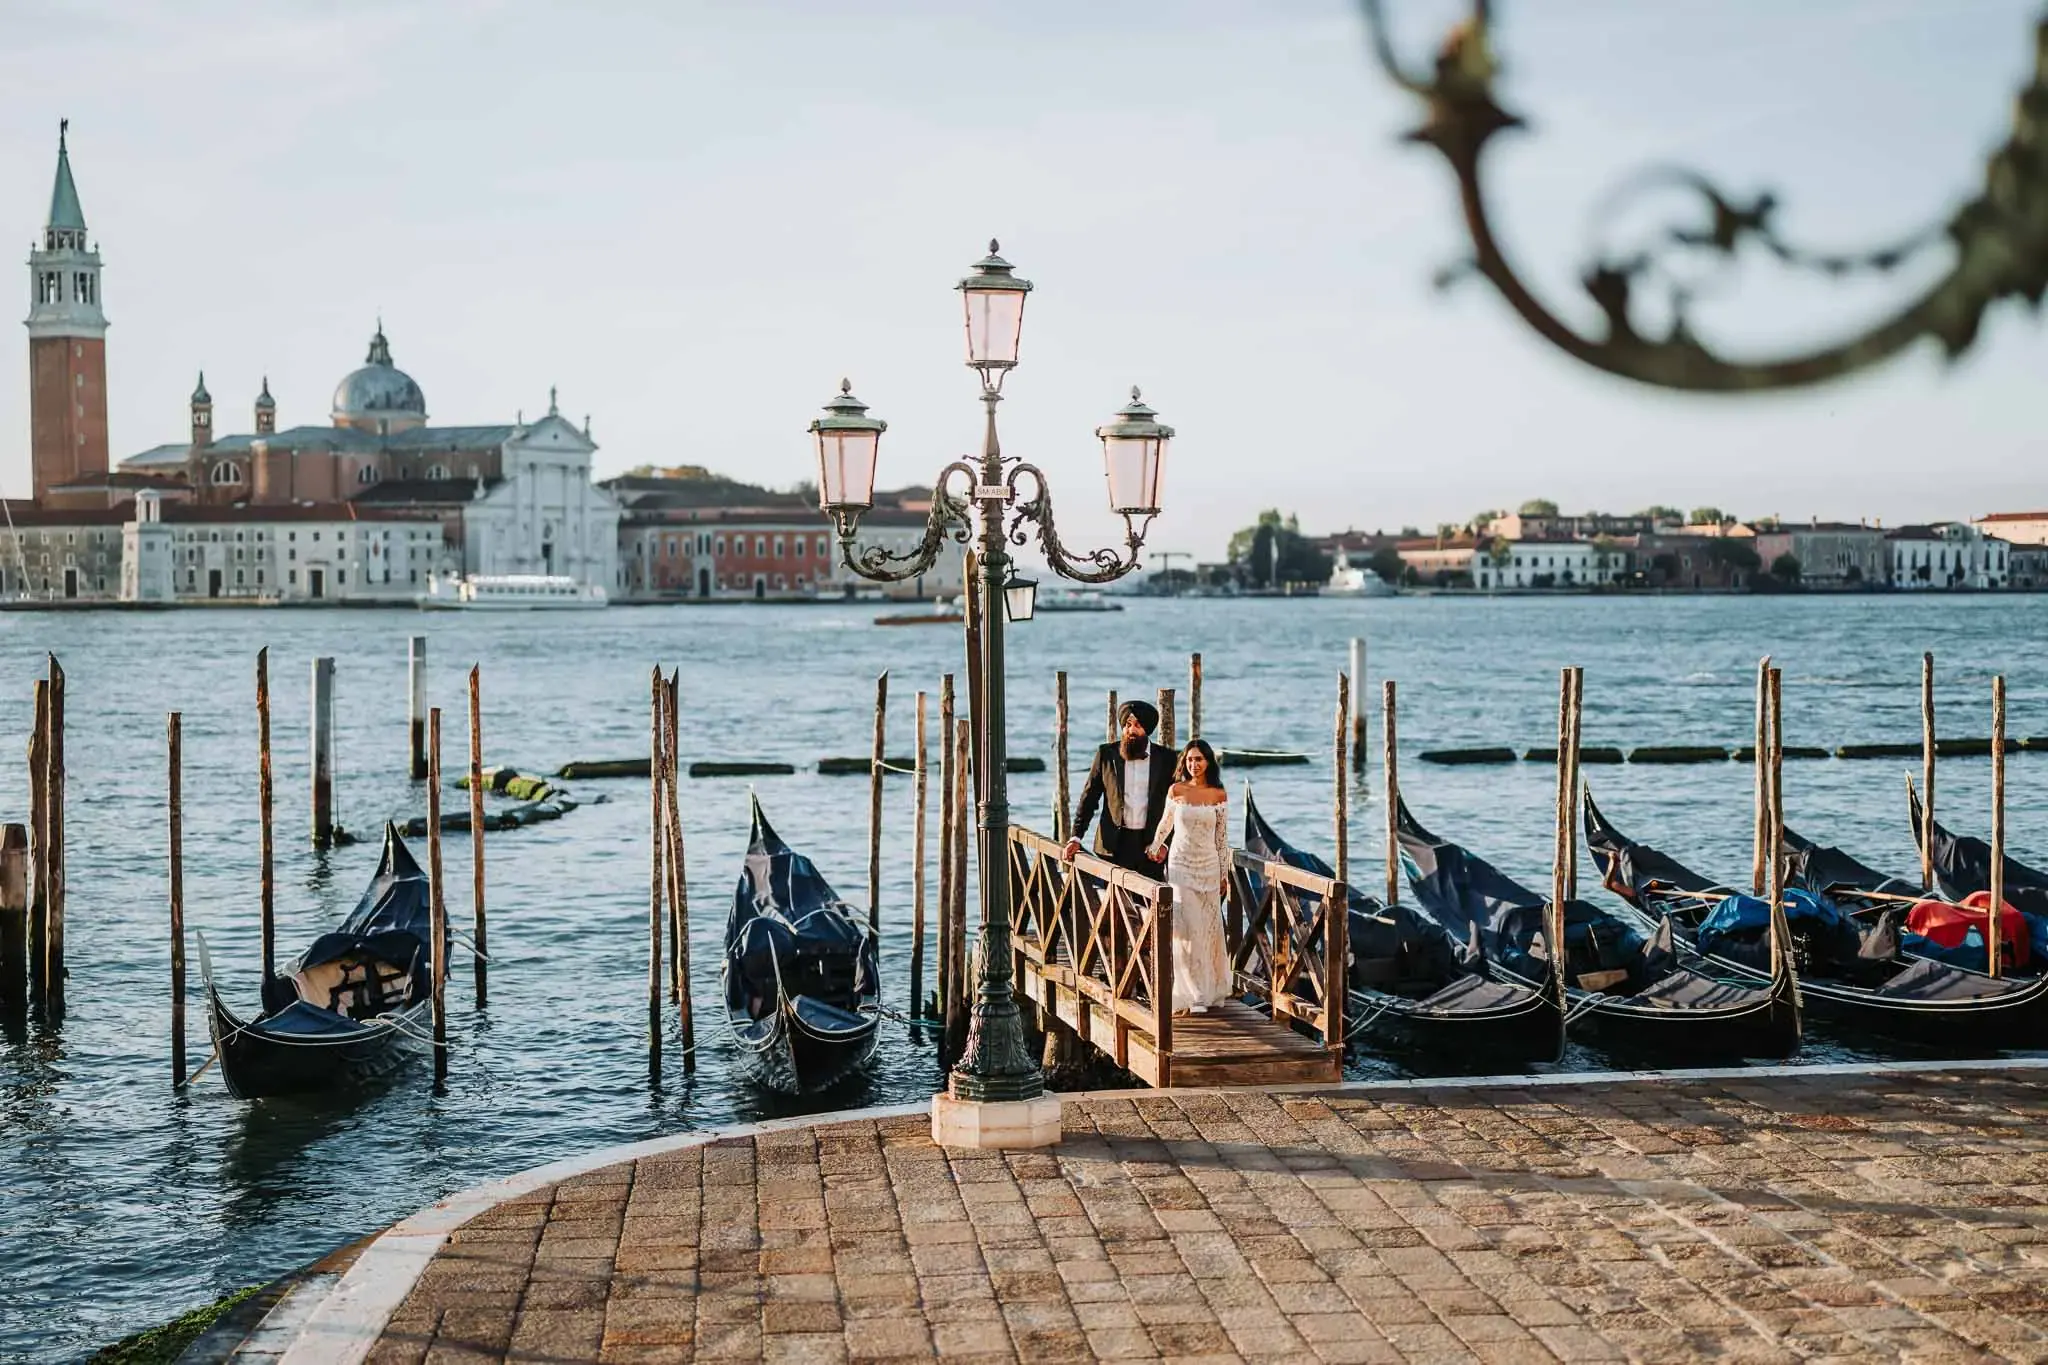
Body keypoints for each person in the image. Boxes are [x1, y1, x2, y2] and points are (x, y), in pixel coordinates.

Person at [1145, 740, 1233, 1015]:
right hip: (1181, 864)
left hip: (1208, 865)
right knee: (1185, 928)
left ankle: (1210, 989)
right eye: (1190, 760)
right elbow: (1165, 823)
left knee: (1208, 928)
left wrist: (1223, 874)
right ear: (1184, 762)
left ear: (1208, 762)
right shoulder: (1176, 790)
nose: (1194, 765)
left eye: (1199, 759)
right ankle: (1191, 993)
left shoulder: (1218, 795)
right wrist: (1156, 845)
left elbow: (1221, 839)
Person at [1064, 699, 1174, 876]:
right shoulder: (1106, 754)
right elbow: (1089, 799)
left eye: (1137, 725)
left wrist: (1165, 843)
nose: (1131, 730)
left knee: (1149, 902)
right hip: (1112, 845)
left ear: (1148, 729)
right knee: (1112, 902)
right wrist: (1076, 837)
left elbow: (1176, 807)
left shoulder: (1167, 759)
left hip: (1151, 846)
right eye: (1127, 724)